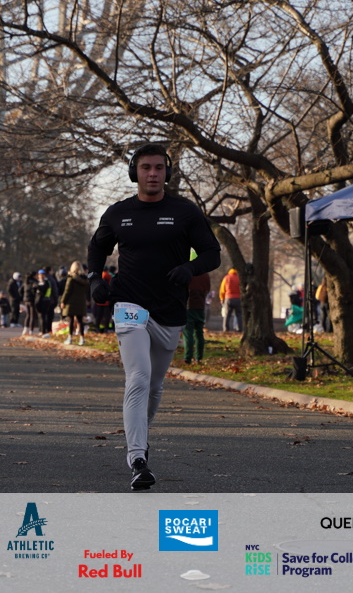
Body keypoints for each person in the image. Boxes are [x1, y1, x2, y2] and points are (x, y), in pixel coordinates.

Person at [87, 143, 220, 490]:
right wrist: (94, 279)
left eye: (159, 168)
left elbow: (212, 253)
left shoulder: (184, 212)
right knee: (139, 376)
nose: (152, 174)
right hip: (129, 304)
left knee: (155, 385)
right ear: (135, 172)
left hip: (170, 310)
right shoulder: (118, 213)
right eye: (146, 167)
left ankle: (139, 436)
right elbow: (97, 246)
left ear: (167, 173)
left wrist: (189, 268)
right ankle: (138, 458)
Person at [183, 256, 211, 364]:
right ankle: (199, 358)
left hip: (189, 307)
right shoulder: (205, 275)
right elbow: (207, 289)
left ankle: (187, 358)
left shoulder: (188, 273)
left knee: (188, 333)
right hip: (201, 307)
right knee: (199, 333)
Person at [60, 261, 89, 345]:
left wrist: (63, 301)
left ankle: (70, 338)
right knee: (80, 321)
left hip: (71, 302)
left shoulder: (71, 279)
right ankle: (82, 339)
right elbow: (87, 290)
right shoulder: (85, 279)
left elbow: (67, 291)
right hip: (81, 302)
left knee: (71, 320)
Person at [219, 268, 242, 333]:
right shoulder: (239, 278)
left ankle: (226, 329)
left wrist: (222, 298)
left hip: (228, 298)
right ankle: (239, 329)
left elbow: (222, 289)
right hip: (238, 298)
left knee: (227, 315)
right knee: (239, 314)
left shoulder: (226, 278)